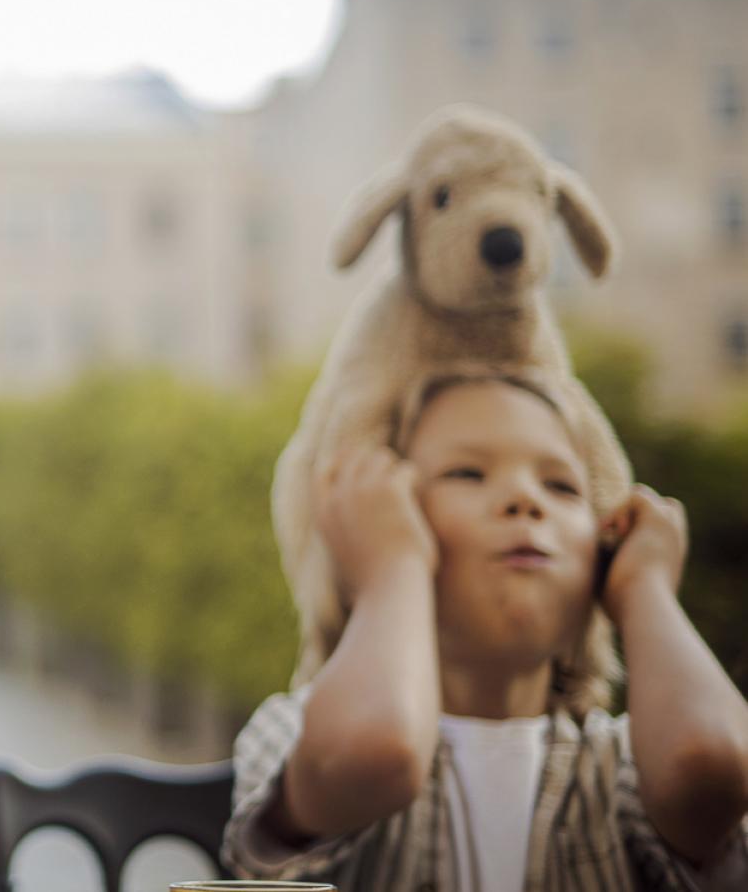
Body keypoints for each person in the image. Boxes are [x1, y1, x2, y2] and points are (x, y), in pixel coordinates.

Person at [224, 371, 748, 889]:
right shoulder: (293, 731)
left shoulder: (630, 767)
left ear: (604, 551)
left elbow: (712, 765)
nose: (525, 499)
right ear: (381, 525)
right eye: (467, 474)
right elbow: (370, 748)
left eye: (562, 486)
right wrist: (392, 567)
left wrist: (645, 589)